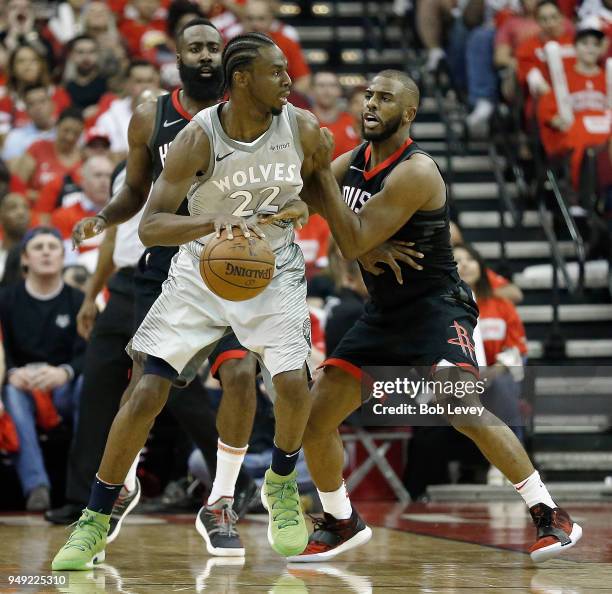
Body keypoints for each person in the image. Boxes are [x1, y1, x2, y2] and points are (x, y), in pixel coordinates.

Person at [290, 69, 582, 564]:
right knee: (315, 420)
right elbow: (302, 205)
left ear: (408, 114)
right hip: (383, 312)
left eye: (385, 99)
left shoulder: (417, 170)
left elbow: (352, 237)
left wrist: (338, 205)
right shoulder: (354, 161)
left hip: (436, 307)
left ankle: (550, 514)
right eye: (368, 96)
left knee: (459, 406)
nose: (371, 105)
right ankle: (341, 520)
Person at [47, 20, 265, 558]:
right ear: (179, 57)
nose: (207, 56)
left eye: (215, 47)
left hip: (234, 264)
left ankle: (220, 503)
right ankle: (108, 498)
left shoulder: (257, 112)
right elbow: (135, 195)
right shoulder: (152, 116)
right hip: (167, 268)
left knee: (240, 373)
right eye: (197, 48)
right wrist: (102, 218)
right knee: (148, 388)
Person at [0, 227, 86, 511]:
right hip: (23, 384)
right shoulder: (6, 299)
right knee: (11, 393)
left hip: (64, 384)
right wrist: (12, 372)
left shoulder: (79, 300)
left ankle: (81, 485)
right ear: (24, 259)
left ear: (63, 257)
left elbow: (92, 353)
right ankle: (36, 486)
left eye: (53, 246)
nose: (47, 252)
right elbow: (2, 349)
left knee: (87, 386)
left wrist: (65, 372)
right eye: (39, 247)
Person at [536, 20, 610, 189]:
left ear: (601, 49)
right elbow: (546, 108)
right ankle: (581, 193)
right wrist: (556, 120)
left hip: (605, 134)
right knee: (580, 144)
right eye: (585, 44)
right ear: (575, 48)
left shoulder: (608, 78)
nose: (590, 48)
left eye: (595, 44)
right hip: (575, 134)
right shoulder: (563, 79)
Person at [11, 107, 84, 212]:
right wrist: (46, 197)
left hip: (70, 217)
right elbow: (17, 187)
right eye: (66, 130)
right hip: (35, 213)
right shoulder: (38, 148)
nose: (70, 137)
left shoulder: (84, 158)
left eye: (76, 133)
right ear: (57, 126)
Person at [93, 60, 159, 159]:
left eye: (149, 81)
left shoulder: (168, 115)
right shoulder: (109, 118)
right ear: (127, 84)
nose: (145, 86)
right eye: (139, 81)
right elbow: (102, 155)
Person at [1, 84, 56, 165]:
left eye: (42, 101)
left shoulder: (65, 133)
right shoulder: (15, 137)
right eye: (31, 104)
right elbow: (11, 172)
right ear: (26, 110)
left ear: (52, 104)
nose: (38, 107)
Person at [63, 34, 109, 120]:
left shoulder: (109, 84)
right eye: (80, 52)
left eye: (91, 52)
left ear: (98, 54)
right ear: (71, 55)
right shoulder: (66, 88)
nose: (86, 57)